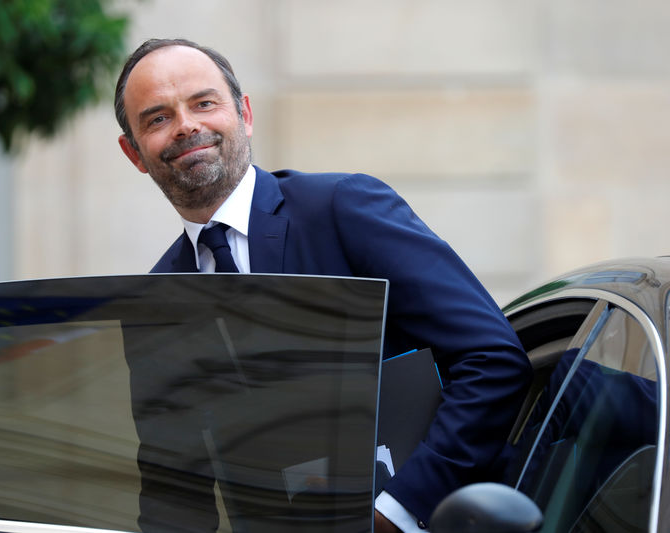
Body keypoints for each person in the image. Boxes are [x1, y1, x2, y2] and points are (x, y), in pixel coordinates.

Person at [114, 38, 532, 532]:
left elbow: (493, 360)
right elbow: (174, 490)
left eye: (204, 103)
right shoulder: (157, 302)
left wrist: (393, 513)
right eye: (157, 118)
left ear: (244, 114)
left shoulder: (341, 208)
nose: (186, 126)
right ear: (135, 153)